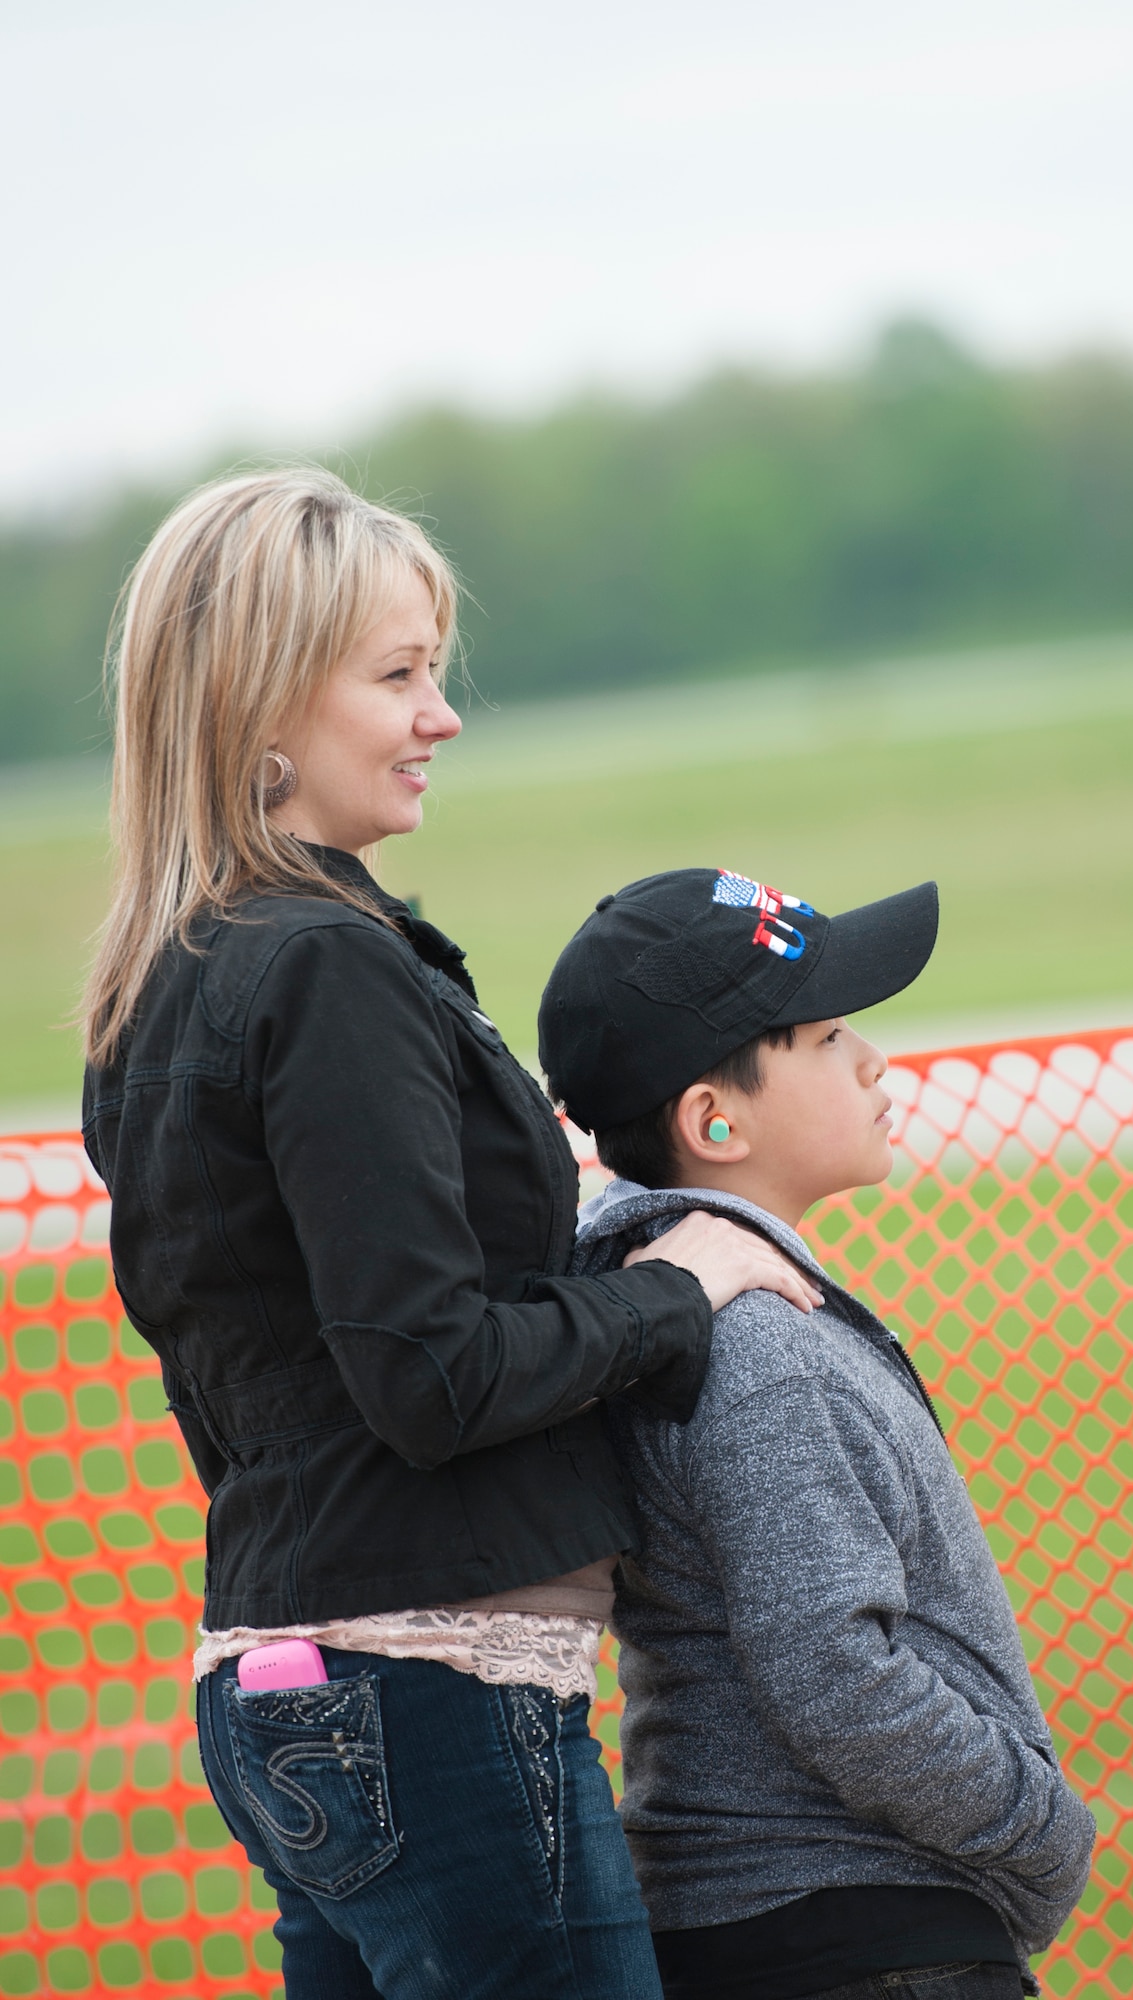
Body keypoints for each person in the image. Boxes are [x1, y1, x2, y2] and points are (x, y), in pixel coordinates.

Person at [79, 473, 821, 2000]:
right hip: (429, 1697)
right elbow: (432, 1372)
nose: (442, 715)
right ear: (263, 702)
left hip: (282, 1679)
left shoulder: (162, 983)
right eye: (400, 675)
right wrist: (677, 1284)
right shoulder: (326, 972)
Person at [538, 867, 1097, 2000]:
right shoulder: (757, 1349)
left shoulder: (704, 1312)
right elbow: (835, 1671)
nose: (872, 1059)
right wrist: (1040, 1826)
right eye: (830, 1033)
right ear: (715, 1118)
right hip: (853, 1941)